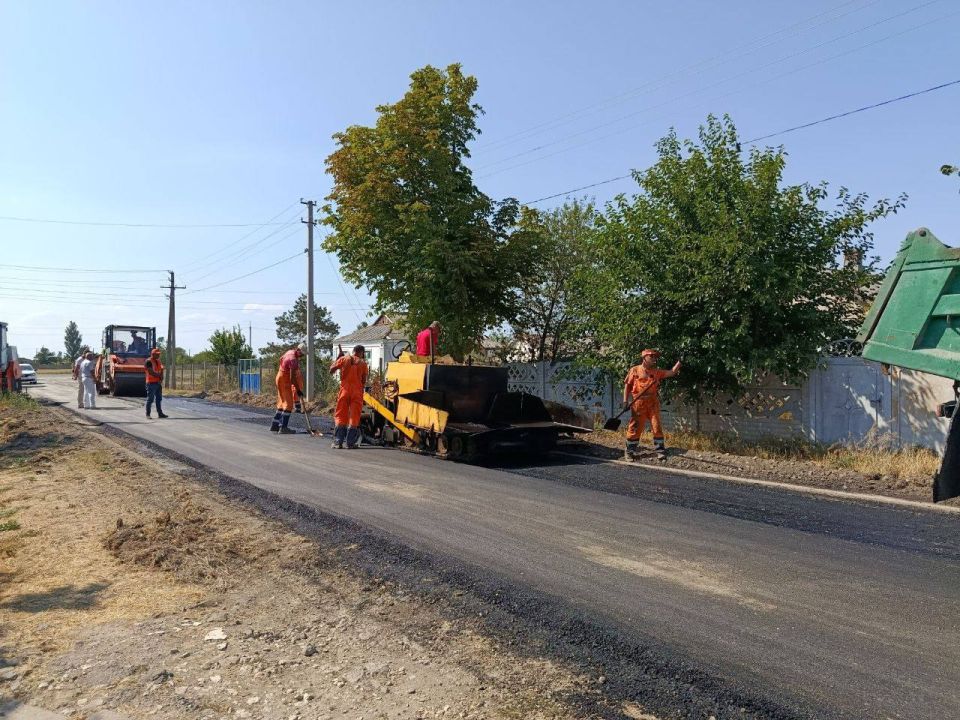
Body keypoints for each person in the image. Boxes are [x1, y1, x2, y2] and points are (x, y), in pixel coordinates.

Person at [623, 349, 680, 460]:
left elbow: (672, 372)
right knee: (635, 428)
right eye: (652, 356)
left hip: (653, 403)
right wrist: (625, 401)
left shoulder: (656, 372)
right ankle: (629, 451)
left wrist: (679, 362)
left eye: (655, 357)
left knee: (656, 426)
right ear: (644, 358)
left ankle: (660, 450)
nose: (654, 359)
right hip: (639, 404)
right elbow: (627, 386)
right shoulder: (634, 370)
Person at [329, 344, 368, 449]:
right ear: (361, 352)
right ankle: (350, 443)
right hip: (357, 392)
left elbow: (331, 370)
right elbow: (364, 380)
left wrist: (338, 359)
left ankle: (338, 442)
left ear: (354, 350)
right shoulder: (363, 364)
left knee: (341, 415)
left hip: (344, 391)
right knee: (354, 416)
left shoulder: (344, 359)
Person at [271, 343, 306, 434]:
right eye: (302, 354)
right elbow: (292, 378)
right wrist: (298, 390)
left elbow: (280, 360)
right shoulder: (293, 360)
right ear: (298, 350)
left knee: (282, 402)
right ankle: (283, 427)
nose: (302, 356)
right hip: (284, 380)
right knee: (289, 404)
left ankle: (274, 425)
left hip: (279, 376)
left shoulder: (289, 352)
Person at [144, 347, 167, 418]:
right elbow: (151, 372)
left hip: (158, 383)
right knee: (150, 399)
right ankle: (148, 414)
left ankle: (160, 414)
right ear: (152, 354)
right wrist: (159, 376)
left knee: (159, 399)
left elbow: (161, 369)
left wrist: (161, 376)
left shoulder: (158, 361)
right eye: (157, 354)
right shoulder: (148, 361)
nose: (158, 355)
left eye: (159, 354)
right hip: (151, 383)